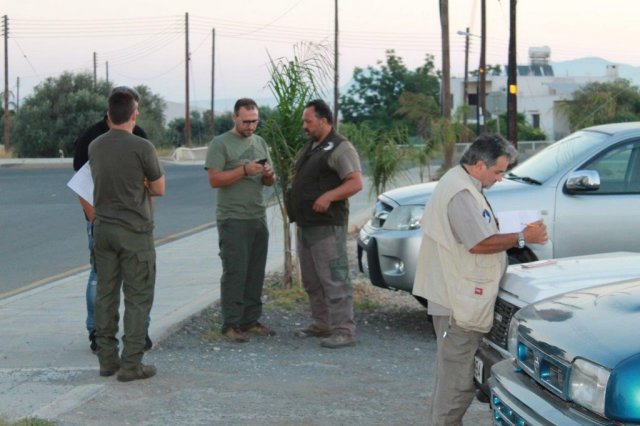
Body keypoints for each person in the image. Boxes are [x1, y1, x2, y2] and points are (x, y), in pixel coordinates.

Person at [412, 134, 548, 425]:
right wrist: (523, 237)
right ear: (478, 165)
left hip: (457, 297)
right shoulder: (460, 193)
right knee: (457, 382)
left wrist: (513, 232)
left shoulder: (462, 184)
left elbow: (478, 233)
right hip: (457, 301)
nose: (500, 178)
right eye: (498, 171)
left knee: (452, 376)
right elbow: (477, 242)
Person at [90, 89, 165, 382]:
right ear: (134, 114)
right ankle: (131, 363)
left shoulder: (95, 146)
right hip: (135, 231)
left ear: (109, 115)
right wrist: (144, 182)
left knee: (106, 295)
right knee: (137, 297)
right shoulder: (142, 147)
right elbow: (159, 188)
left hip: (104, 229)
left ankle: (107, 360)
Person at [72, 86, 152, 353]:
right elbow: (80, 185)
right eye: (134, 110)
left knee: (136, 278)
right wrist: (95, 219)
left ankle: (140, 333)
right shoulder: (91, 139)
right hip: (101, 221)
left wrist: (148, 218)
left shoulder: (139, 136)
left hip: (135, 223)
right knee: (100, 276)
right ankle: (97, 331)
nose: (135, 116)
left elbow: (148, 185)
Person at [287, 99, 363, 349]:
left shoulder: (341, 148)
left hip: (327, 226)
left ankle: (344, 330)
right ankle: (322, 323)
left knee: (334, 277)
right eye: (304, 121)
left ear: (324, 120)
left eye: (308, 121)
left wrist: (328, 196)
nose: (304, 126)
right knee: (312, 279)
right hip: (307, 224)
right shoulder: (312, 146)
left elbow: (355, 182)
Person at [204, 98, 276, 343]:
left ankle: (250, 320)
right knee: (235, 271)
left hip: (257, 215)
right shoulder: (220, 144)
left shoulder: (260, 142)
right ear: (234, 117)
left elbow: (270, 182)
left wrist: (267, 175)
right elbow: (214, 180)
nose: (251, 126)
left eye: (255, 121)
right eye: (246, 121)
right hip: (232, 218)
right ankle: (231, 323)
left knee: (255, 272)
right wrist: (243, 170)